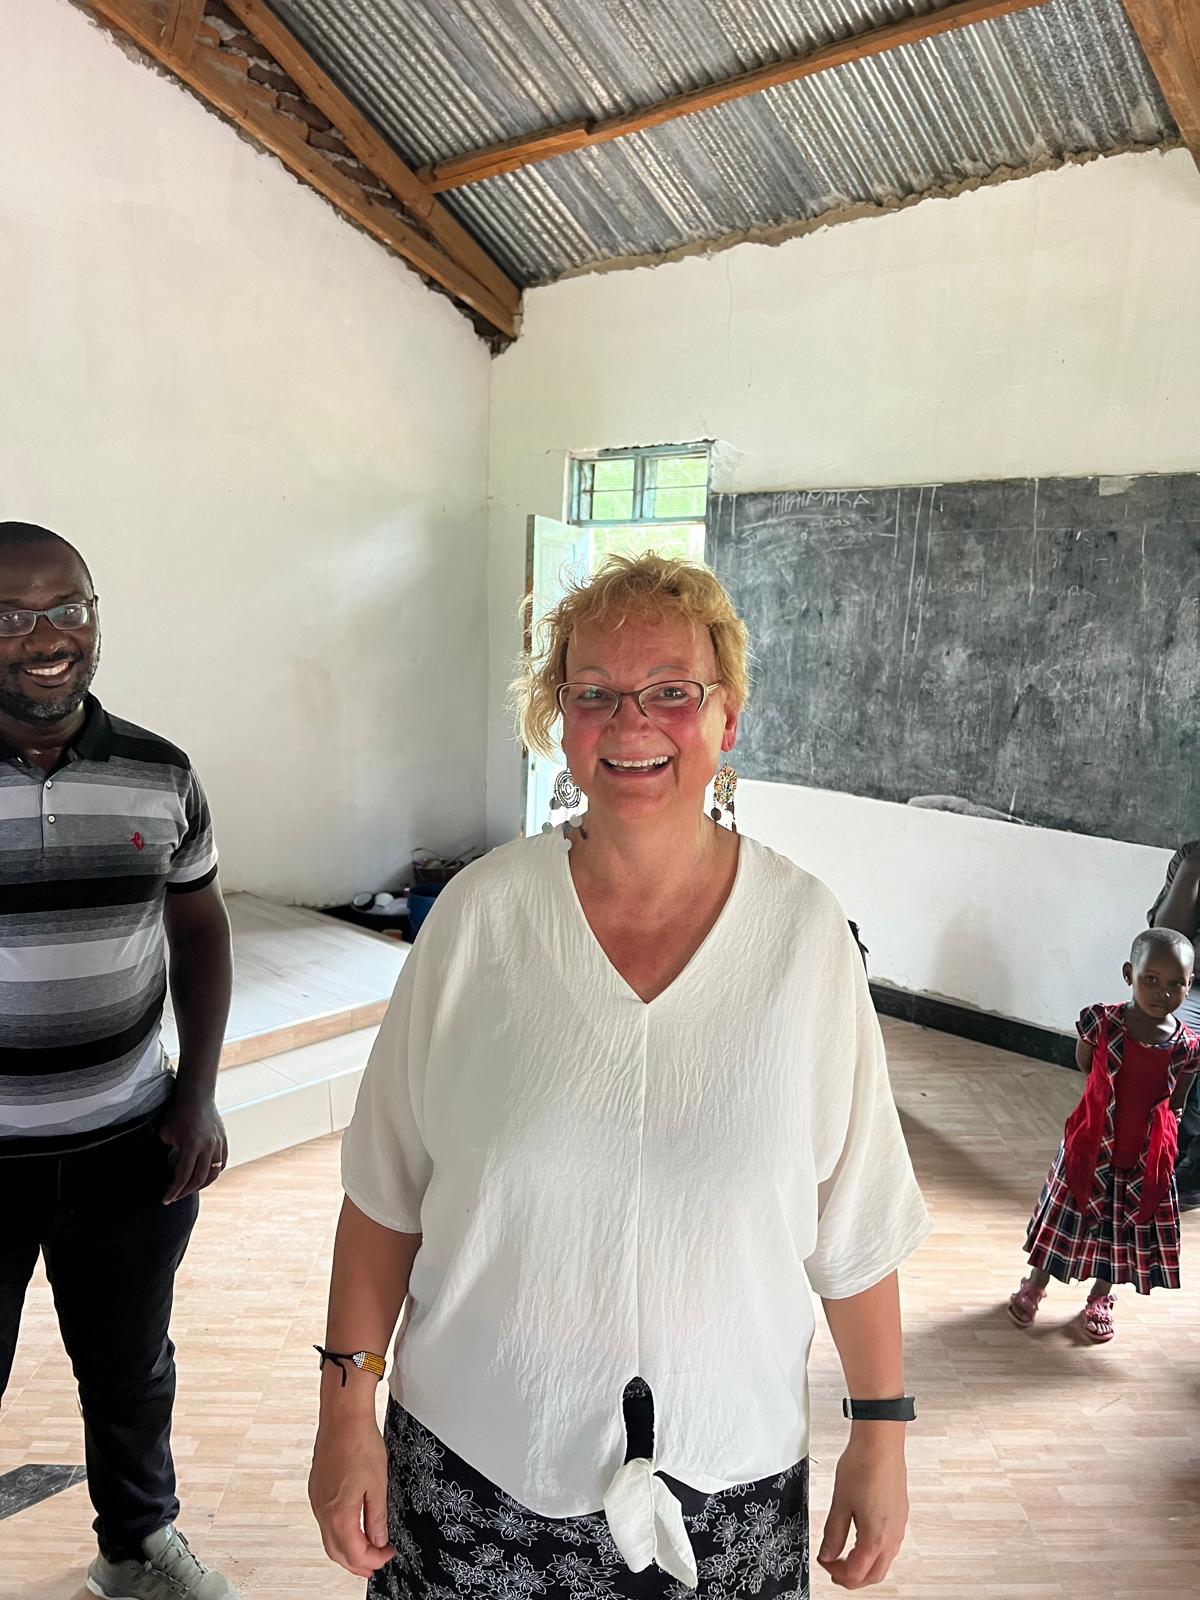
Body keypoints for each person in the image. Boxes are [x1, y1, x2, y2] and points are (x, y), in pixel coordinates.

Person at [309, 553, 931, 1598]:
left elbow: (855, 1220)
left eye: (671, 691)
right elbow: (382, 1200)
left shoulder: (803, 937)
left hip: (730, 1490)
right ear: (560, 720)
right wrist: (343, 1419)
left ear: (727, 717)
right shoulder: (480, 919)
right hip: (475, 1479)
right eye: (593, 692)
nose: (631, 722)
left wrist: (881, 1431)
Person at [0, 523, 237, 1600]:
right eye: (11, 616)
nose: (46, 637)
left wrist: (198, 1093)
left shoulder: (159, 772)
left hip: (126, 1146)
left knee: (131, 1370)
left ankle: (136, 1547)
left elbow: (200, 926)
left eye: (68, 607)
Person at [1008, 927, 1200, 1343]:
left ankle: (1100, 1297)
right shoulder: (1101, 1022)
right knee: (1066, 1222)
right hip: (1090, 1146)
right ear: (1129, 974)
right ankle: (1035, 1284)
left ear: (1190, 984)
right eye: (1151, 979)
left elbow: (1176, 1102)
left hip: (1143, 1161)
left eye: (1176, 984)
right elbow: (1087, 1065)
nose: (1163, 992)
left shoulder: (1187, 1047)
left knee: (1120, 1237)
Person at [1148, 843, 1200, 1206]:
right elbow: (1165, 943)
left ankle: (1193, 1161)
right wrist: (1193, 870)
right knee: (1166, 1029)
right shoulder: (1190, 855)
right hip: (1192, 986)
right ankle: (1160, 1148)